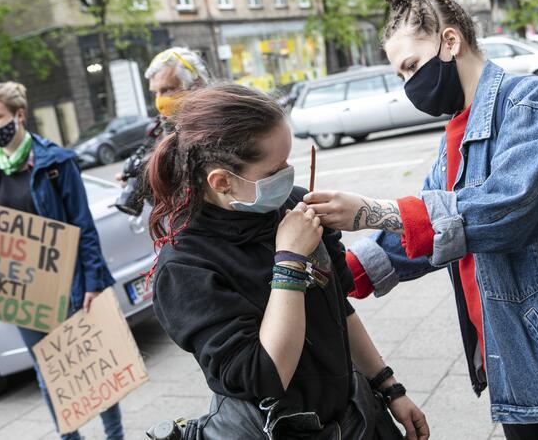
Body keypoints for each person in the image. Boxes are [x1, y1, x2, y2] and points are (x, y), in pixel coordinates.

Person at [303, 0, 538, 439]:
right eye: (400, 75)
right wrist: (342, 274)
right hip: (514, 365)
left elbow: (509, 208)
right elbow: (424, 228)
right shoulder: (455, 132)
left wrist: (372, 210)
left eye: (412, 66)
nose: (409, 85)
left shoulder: (534, 102)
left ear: (450, 42)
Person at [147, 84, 429, 439]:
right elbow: (266, 374)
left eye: (288, 162)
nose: (288, 177)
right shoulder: (186, 267)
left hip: (356, 414)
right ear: (221, 181)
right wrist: (290, 262)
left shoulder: (294, 207)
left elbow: (339, 310)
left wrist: (388, 387)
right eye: (273, 171)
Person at [0, 82, 124, 440]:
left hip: (69, 283)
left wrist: (92, 283)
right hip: (23, 290)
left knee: (89, 365)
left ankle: (114, 435)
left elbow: (83, 227)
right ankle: (70, 437)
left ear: (19, 115)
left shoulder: (55, 162)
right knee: (47, 371)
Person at [114, 47, 210, 214]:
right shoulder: (165, 128)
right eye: (155, 93)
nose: (160, 100)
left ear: (196, 85)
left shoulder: (216, 125)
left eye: (167, 89)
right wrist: (145, 181)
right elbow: (175, 203)